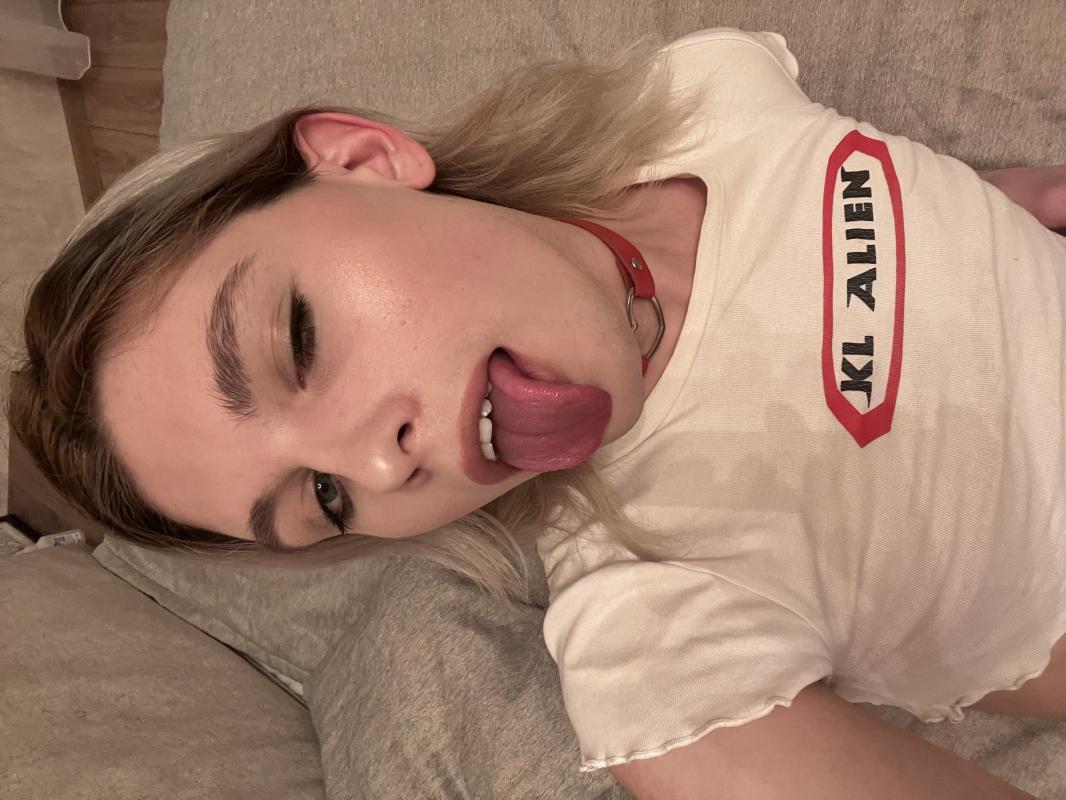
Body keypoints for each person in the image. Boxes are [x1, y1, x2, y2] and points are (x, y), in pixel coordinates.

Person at [7, 26, 1066, 799]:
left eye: (300, 339)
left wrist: (987, 208)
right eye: (322, 498)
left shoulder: (707, 93)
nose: (377, 468)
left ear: (365, 160)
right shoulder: (654, 638)